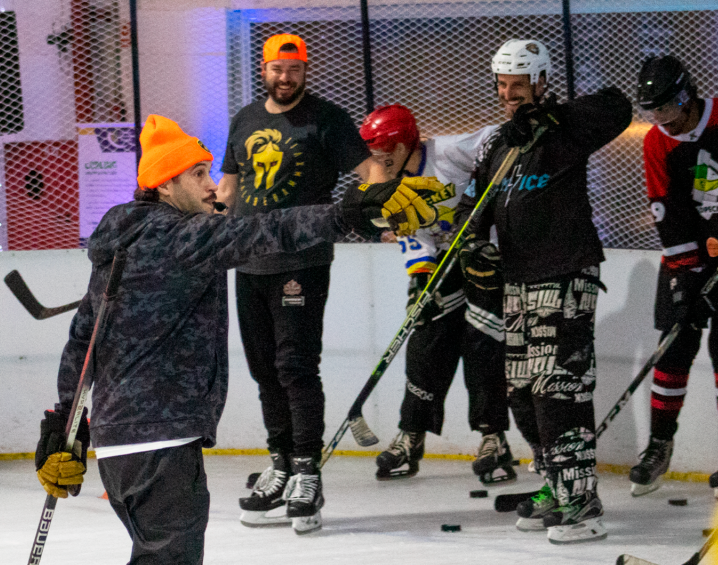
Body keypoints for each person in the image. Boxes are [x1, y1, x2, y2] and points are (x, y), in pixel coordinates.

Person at [34, 114, 439, 561]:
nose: (213, 185)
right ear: (164, 186)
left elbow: (82, 340)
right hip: (161, 444)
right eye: (197, 174)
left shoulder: (123, 244)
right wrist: (351, 213)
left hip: (122, 447)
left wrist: (61, 427)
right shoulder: (180, 236)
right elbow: (265, 230)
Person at [456, 39, 631, 543]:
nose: (511, 94)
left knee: (560, 387)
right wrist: (472, 247)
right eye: (504, 86)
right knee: (521, 391)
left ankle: (581, 499)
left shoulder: (565, 130)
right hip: (518, 282)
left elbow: (618, 105)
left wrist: (553, 116)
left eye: (521, 85)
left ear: (541, 82)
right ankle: (556, 484)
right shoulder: (497, 144)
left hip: (566, 273)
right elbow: (472, 207)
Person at [215, 32, 385, 531]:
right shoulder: (244, 120)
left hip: (302, 263)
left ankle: (308, 471)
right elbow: (228, 187)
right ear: (263, 69)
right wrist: (201, 229)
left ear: (305, 71)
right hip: (249, 263)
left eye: (293, 70)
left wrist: (380, 201)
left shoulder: (326, 118)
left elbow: (370, 168)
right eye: (276, 69)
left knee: (295, 365)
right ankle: (281, 463)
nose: (284, 78)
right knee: (265, 369)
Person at [360, 104, 514, 485]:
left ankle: (494, 438)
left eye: (383, 155)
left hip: (484, 256)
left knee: (483, 343)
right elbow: (412, 236)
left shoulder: (449, 152)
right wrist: (423, 276)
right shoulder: (391, 180)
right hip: (440, 261)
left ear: (401, 146)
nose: (379, 163)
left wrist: (484, 189)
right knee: (426, 340)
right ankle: (411, 436)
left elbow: (500, 137)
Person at [631, 55, 718, 497]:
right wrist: (686, 275)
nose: (660, 119)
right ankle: (659, 445)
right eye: (652, 112)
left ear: (686, 97)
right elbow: (665, 210)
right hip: (686, 256)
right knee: (671, 348)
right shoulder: (656, 143)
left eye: (665, 108)